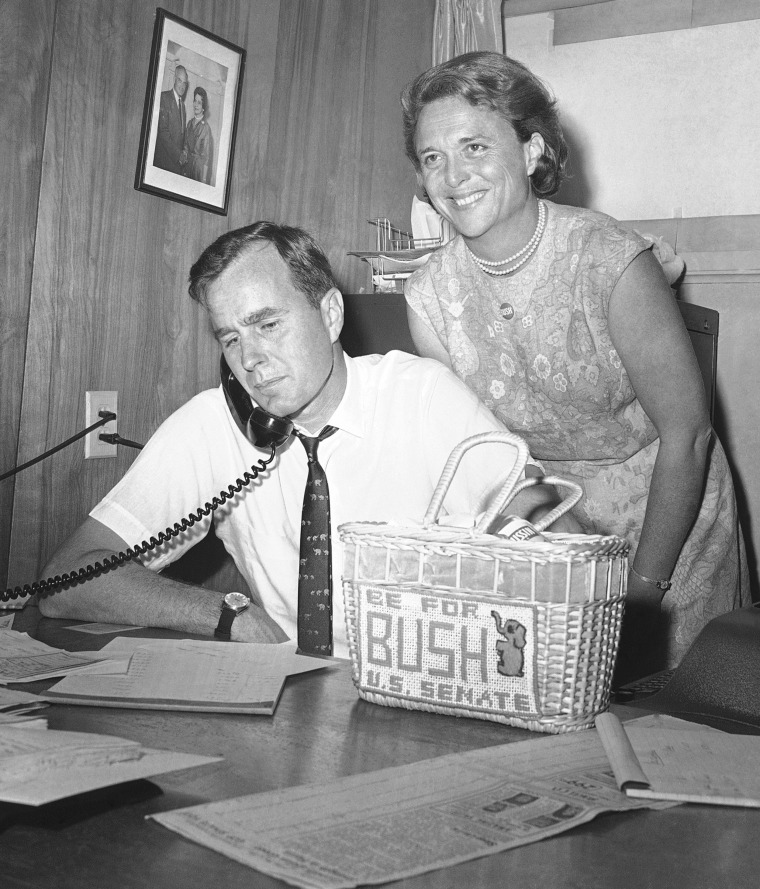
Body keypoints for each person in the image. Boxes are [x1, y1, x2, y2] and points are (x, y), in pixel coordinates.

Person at [39, 222, 573, 658]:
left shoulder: (422, 397)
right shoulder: (215, 424)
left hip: (428, 686)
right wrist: (226, 614)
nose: (250, 360)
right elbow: (67, 579)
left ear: (331, 314)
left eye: (267, 324)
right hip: (293, 699)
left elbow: (566, 545)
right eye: (231, 338)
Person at [400, 51, 750, 677]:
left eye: (475, 147)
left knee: (681, 733)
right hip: (550, 527)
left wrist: (640, 596)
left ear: (532, 150)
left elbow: (688, 435)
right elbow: (486, 459)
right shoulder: (429, 298)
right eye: (433, 158)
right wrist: (546, 567)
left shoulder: (610, 261)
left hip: (671, 525)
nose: (453, 176)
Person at [153, 65, 189, 174]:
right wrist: (179, 155)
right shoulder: (163, 98)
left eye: (185, 83)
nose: (182, 86)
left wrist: (185, 150)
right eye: (179, 80)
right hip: (163, 163)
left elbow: (181, 135)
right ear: (174, 79)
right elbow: (163, 133)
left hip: (176, 166)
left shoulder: (183, 106)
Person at [181, 86, 212, 184]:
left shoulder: (206, 128)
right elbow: (185, 146)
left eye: (199, 102)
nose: (196, 105)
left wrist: (203, 180)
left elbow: (206, 158)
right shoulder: (189, 123)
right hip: (187, 167)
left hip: (198, 171)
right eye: (195, 101)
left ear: (203, 107)